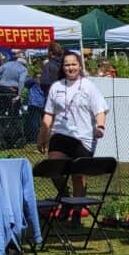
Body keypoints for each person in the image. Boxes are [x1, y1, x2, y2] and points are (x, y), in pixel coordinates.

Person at [37, 51, 108, 218]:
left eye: (73, 64)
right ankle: (65, 197)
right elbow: (49, 114)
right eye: (67, 65)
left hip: (83, 138)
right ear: (63, 67)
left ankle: (76, 211)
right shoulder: (56, 87)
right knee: (53, 167)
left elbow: (100, 109)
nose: (70, 68)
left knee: (78, 174)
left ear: (79, 66)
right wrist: (43, 134)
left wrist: (100, 127)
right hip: (61, 134)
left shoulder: (88, 86)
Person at [0, 50, 27, 117]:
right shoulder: (23, 69)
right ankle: (12, 126)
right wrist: (19, 95)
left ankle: (0, 125)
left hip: (2, 89)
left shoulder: (6, 64)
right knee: (13, 112)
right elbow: (21, 81)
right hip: (13, 90)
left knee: (1, 110)